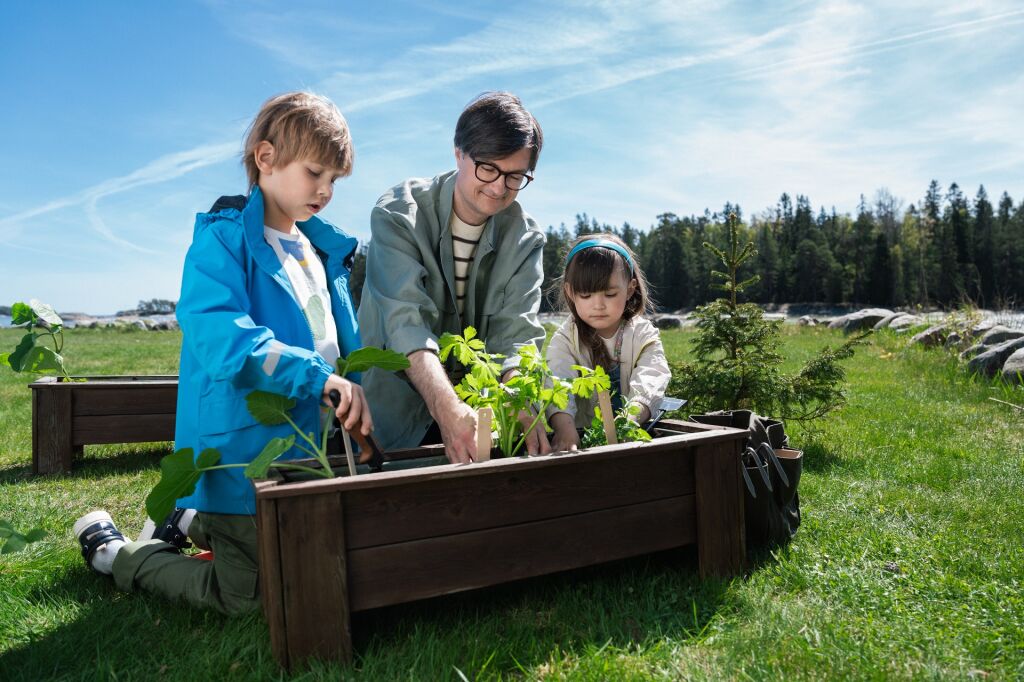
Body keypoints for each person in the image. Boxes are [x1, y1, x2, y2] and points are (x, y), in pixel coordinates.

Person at [73, 91, 370, 615]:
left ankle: (189, 520)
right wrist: (317, 377)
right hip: (244, 456)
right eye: (315, 173)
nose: (325, 191)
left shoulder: (325, 252)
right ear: (266, 158)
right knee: (252, 597)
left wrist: (355, 407)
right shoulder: (223, 242)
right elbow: (224, 338)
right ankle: (114, 553)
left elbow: (340, 346)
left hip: (312, 453)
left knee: (326, 560)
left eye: (334, 181)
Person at [358, 91, 550, 462]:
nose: (498, 188)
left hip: (484, 421)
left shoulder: (525, 238)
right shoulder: (399, 215)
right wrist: (447, 409)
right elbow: (405, 324)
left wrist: (518, 398)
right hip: (399, 422)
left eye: (514, 176)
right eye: (488, 169)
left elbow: (518, 335)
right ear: (458, 153)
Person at [545, 233, 670, 452]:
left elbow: (652, 377)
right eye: (586, 295)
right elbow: (557, 383)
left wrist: (629, 420)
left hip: (635, 438)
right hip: (582, 443)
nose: (598, 305)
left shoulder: (643, 334)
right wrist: (565, 430)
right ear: (570, 292)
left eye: (610, 294)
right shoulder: (566, 339)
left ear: (630, 289)